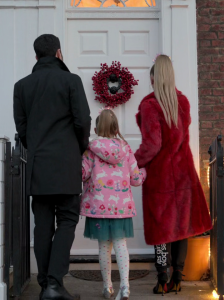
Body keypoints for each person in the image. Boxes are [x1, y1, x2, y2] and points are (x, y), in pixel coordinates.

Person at [13, 34, 91, 300]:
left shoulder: (21, 86)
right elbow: (83, 121)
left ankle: (47, 285)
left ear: (36, 56)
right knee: (67, 220)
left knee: (42, 225)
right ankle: (55, 285)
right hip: (66, 163)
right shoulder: (71, 81)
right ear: (59, 53)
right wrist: (77, 149)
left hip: (38, 166)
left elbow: (22, 129)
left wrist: (34, 149)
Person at [135, 55, 212, 295]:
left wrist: (133, 161)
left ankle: (162, 278)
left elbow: (152, 145)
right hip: (183, 174)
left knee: (161, 231)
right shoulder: (183, 102)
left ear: (153, 78)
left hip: (161, 178)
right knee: (181, 228)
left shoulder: (149, 105)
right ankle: (178, 277)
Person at [80, 108, 146, 300]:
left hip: (98, 207)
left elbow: (82, 174)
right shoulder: (126, 149)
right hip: (121, 208)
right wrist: (144, 173)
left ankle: (107, 287)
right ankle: (125, 287)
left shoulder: (90, 150)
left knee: (103, 248)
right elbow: (135, 179)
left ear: (95, 127)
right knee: (121, 245)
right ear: (117, 128)